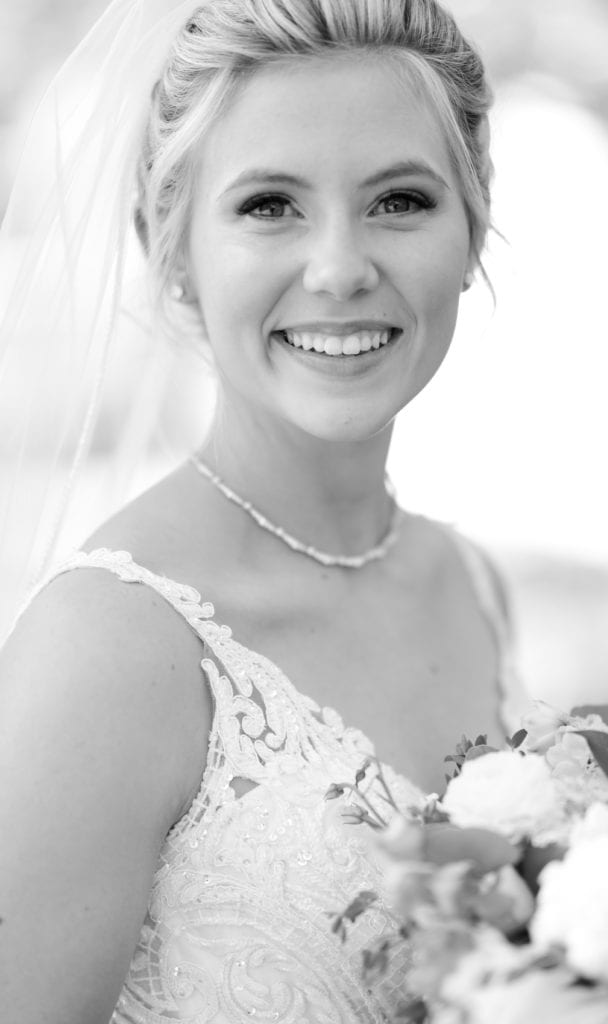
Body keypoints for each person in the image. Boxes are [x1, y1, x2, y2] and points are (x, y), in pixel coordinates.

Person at [0, 0, 527, 1020]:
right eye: (269, 205)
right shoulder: (110, 645)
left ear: (470, 222)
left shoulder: (467, 581)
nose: (337, 268)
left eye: (399, 200)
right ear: (169, 245)